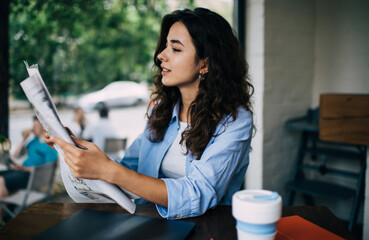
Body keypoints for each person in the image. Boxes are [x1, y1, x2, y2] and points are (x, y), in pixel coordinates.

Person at [46, 8, 254, 219]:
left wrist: (108, 169)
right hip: (152, 224)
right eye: (165, 46)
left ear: (205, 64)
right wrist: (75, 148)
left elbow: (198, 194)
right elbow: (129, 170)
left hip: (208, 229)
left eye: (175, 49)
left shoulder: (235, 121)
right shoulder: (161, 110)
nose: (161, 55)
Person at [0, 116, 58, 202]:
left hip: (31, 176)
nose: (32, 128)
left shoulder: (50, 146)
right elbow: (16, 155)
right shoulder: (33, 141)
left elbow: (48, 170)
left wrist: (23, 168)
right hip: (21, 170)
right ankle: (6, 208)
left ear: (43, 127)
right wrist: (23, 139)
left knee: (1, 181)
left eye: (35, 126)